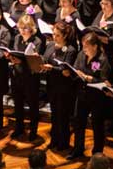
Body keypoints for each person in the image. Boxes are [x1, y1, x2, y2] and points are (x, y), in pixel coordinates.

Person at [70, 32, 111, 159]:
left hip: (96, 97)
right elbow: (76, 68)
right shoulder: (82, 55)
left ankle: (97, 153)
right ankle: (78, 149)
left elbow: (104, 81)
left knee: (97, 125)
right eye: (83, 45)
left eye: (86, 46)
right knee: (79, 123)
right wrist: (76, 74)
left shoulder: (102, 60)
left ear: (95, 47)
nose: (84, 49)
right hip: (82, 94)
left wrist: (89, 78)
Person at [5, 15, 42, 141]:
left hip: (30, 78)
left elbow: (34, 62)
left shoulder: (37, 41)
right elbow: (16, 53)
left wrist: (21, 61)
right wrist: (11, 58)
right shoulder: (17, 38)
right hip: (17, 76)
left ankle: (33, 130)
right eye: (21, 28)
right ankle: (19, 127)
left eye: (25, 28)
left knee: (32, 105)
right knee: (18, 104)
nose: (23, 31)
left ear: (31, 28)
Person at [42, 21, 78, 151]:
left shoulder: (70, 50)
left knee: (63, 116)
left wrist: (51, 68)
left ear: (65, 35)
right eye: (53, 34)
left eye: (57, 35)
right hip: (52, 85)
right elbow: (45, 58)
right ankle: (54, 140)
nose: (54, 37)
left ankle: (63, 143)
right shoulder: (51, 45)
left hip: (64, 88)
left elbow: (66, 70)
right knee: (54, 115)